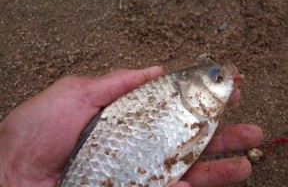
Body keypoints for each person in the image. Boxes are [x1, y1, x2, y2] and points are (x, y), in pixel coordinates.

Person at [0, 66, 263, 187]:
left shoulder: (201, 115)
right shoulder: (186, 105)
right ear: (190, 89)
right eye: (217, 78)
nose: (226, 79)